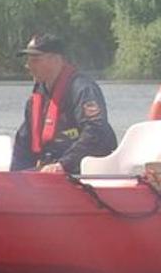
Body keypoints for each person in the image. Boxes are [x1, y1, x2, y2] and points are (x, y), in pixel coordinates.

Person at [10, 34, 117, 174]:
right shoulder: (36, 98)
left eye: (35, 60)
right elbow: (23, 144)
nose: (28, 66)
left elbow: (96, 132)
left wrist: (63, 165)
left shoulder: (82, 88)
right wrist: (14, 179)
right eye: (28, 60)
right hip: (52, 173)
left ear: (56, 59)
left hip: (84, 171)